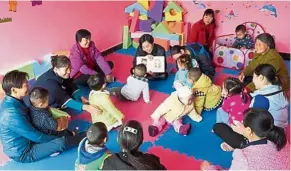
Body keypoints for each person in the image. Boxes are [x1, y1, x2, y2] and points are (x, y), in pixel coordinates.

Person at [0, 70, 85, 163]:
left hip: (29, 138)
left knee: (54, 129)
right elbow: (35, 135)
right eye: (25, 84)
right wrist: (56, 138)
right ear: (14, 90)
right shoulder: (11, 113)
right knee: (60, 142)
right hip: (24, 151)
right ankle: (86, 136)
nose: (28, 86)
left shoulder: (15, 100)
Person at [203, 108, 290, 170]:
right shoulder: (281, 139)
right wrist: (245, 132)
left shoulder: (243, 157)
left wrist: (208, 168)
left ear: (249, 130)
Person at [32, 55, 100, 115]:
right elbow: (65, 100)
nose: (69, 71)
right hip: (38, 103)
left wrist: (80, 97)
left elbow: (71, 84)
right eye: (66, 69)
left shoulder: (59, 73)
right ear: (56, 69)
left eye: (70, 67)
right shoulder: (52, 85)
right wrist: (86, 107)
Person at [250, 64, 289, 129]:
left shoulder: (261, 98)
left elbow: (253, 121)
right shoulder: (280, 91)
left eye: (253, 77)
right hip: (280, 133)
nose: (252, 80)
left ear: (261, 77)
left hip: (267, 135)